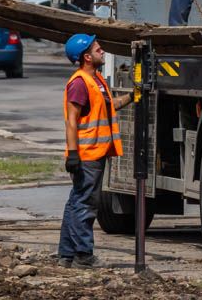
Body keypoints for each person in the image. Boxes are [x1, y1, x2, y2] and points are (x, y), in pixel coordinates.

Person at [59, 33, 133, 269]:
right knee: (86, 205)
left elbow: (111, 107)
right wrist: (73, 154)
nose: (102, 50)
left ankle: (67, 255)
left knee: (76, 202)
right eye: (97, 49)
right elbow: (72, 120)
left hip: (96, 152)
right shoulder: (79, 83)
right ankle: (83, 255)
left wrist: (133, 96)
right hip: (87, 154)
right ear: (86, 56)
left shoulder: (97, 80)